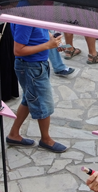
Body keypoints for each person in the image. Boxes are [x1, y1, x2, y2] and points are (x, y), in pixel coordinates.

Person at [6, 14, 69, 153]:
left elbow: (37, 32)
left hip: (37, 65)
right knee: (43, 102)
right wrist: (48, 45)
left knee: (29, 99)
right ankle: (46, 139)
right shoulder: (25, 18)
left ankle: (13, 134)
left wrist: (51, 39)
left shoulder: (33, 11)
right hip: (31, 66)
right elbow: (18, 50)